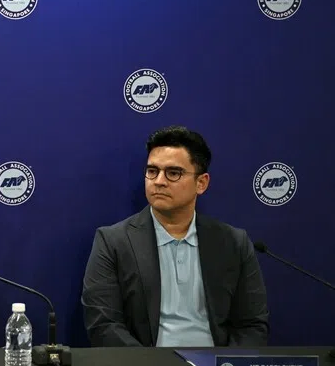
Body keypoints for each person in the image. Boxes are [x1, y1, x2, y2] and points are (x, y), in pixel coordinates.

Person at [82, 125, 269, 347]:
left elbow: (252, 325)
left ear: (201, 183)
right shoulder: (113, 241)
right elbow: (104, 325)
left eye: (173, 173)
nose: (159, 181)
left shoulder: (233, 242)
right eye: (152, 171)